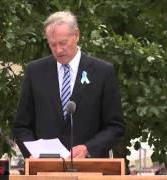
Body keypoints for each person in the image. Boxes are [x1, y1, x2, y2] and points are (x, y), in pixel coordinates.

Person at [13, 11, 125, 158]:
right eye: (53, 45)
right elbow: (22, 126)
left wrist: (88, 148)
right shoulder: (35, 72)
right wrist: (33, 155)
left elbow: (115, 126)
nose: (58, 50)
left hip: (90, 169)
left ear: (76, 35)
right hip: (45, 170)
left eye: (63, 43)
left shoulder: (102, 72)